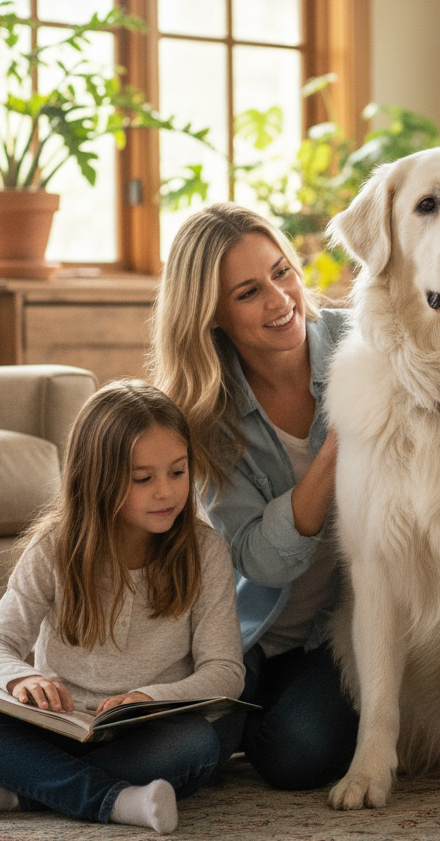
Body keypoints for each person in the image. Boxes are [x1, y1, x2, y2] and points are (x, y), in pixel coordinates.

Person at [0, 381, 244, 834]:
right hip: (59, 728)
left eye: (178, 472)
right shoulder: (54, 549)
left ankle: (11, 790)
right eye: (143, 478)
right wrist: (23, 677)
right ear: (98, 478)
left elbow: (225, 671)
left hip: (145, 732)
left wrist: (151, 697)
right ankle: (116, 800)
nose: (166, 492)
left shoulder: (205, 552)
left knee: (197, 745)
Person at [147, 202, 359, 791]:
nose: (280, 300)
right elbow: (260, 560)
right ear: (211, 315)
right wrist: (339, 444)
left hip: (339, 629)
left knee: (299, 756)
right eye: (248, 292)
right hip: (248, 634)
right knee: (174, 752)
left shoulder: (363, 346)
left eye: (282, 272)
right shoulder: (205, 417)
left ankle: (242, 730)